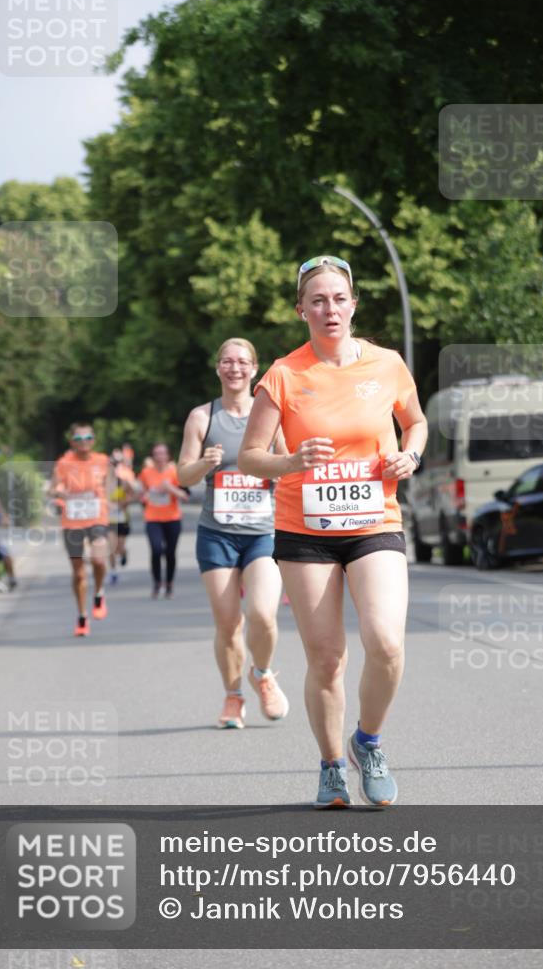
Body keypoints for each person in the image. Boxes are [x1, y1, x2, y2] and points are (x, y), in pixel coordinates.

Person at [239, 255, 428, 807]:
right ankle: (329, 767)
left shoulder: (387, 364)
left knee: (386, 642)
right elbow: (250, 456)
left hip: (375, 521)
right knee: (326, 658)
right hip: (305, 530)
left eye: (339, 299)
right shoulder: (283, 374)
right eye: (317, 300)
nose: (330, 309)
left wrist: (410, 456)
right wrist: (291, 462)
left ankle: (367, 741)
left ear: (353, 304)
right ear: (301, 310)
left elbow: (415, 422)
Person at [177, 337, 289, 730]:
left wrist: (277, 468)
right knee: (228, 624)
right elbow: (183, 475)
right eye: (227, 361)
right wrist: (204, 465)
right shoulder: (202, 417)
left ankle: (263, 674)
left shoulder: (271, 415)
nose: (234, 367)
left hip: (263, 533)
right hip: (217, 534)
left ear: (255, 369)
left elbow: (288, 464)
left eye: (242, 361)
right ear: (218, 368)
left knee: (262, 614)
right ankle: (233, 696)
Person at [51, 423, 113, 637]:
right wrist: (60, 492)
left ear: (93, 440)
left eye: (87, 437)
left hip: (97, 518)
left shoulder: (102, 461)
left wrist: (109, 498)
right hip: (73, 521)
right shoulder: (64, 463)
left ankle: (99, 593)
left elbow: (110, 485)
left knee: (98, 560)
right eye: (78, 438)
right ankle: (82, 616)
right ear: (72, 442)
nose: (83, 442)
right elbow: (54, 488)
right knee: (78, 574)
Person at [137, 443, 188, 598]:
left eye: (162, 453)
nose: (159, 457)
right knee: (156, 550)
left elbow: (185, 496)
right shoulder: (146, 473)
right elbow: (141, 494)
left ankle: (169, 583)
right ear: (152, 457)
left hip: (172, 518)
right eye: (156, 454)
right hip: (152, 518)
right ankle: (157, 582)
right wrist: (143, 497)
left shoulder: (175, 473)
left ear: (168, 456)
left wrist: (170, 488)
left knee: (170, 552)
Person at [106, 449, 135, 584]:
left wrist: (123, 503)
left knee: (119, 547)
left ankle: (124, 553)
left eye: (116, 463)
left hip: (122, 519)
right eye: (112, 463)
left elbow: (133, 495)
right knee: (111, 547)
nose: (114, 466)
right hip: (108, 520)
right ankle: (113, 571)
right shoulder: (102, 484)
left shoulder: (123, 482)